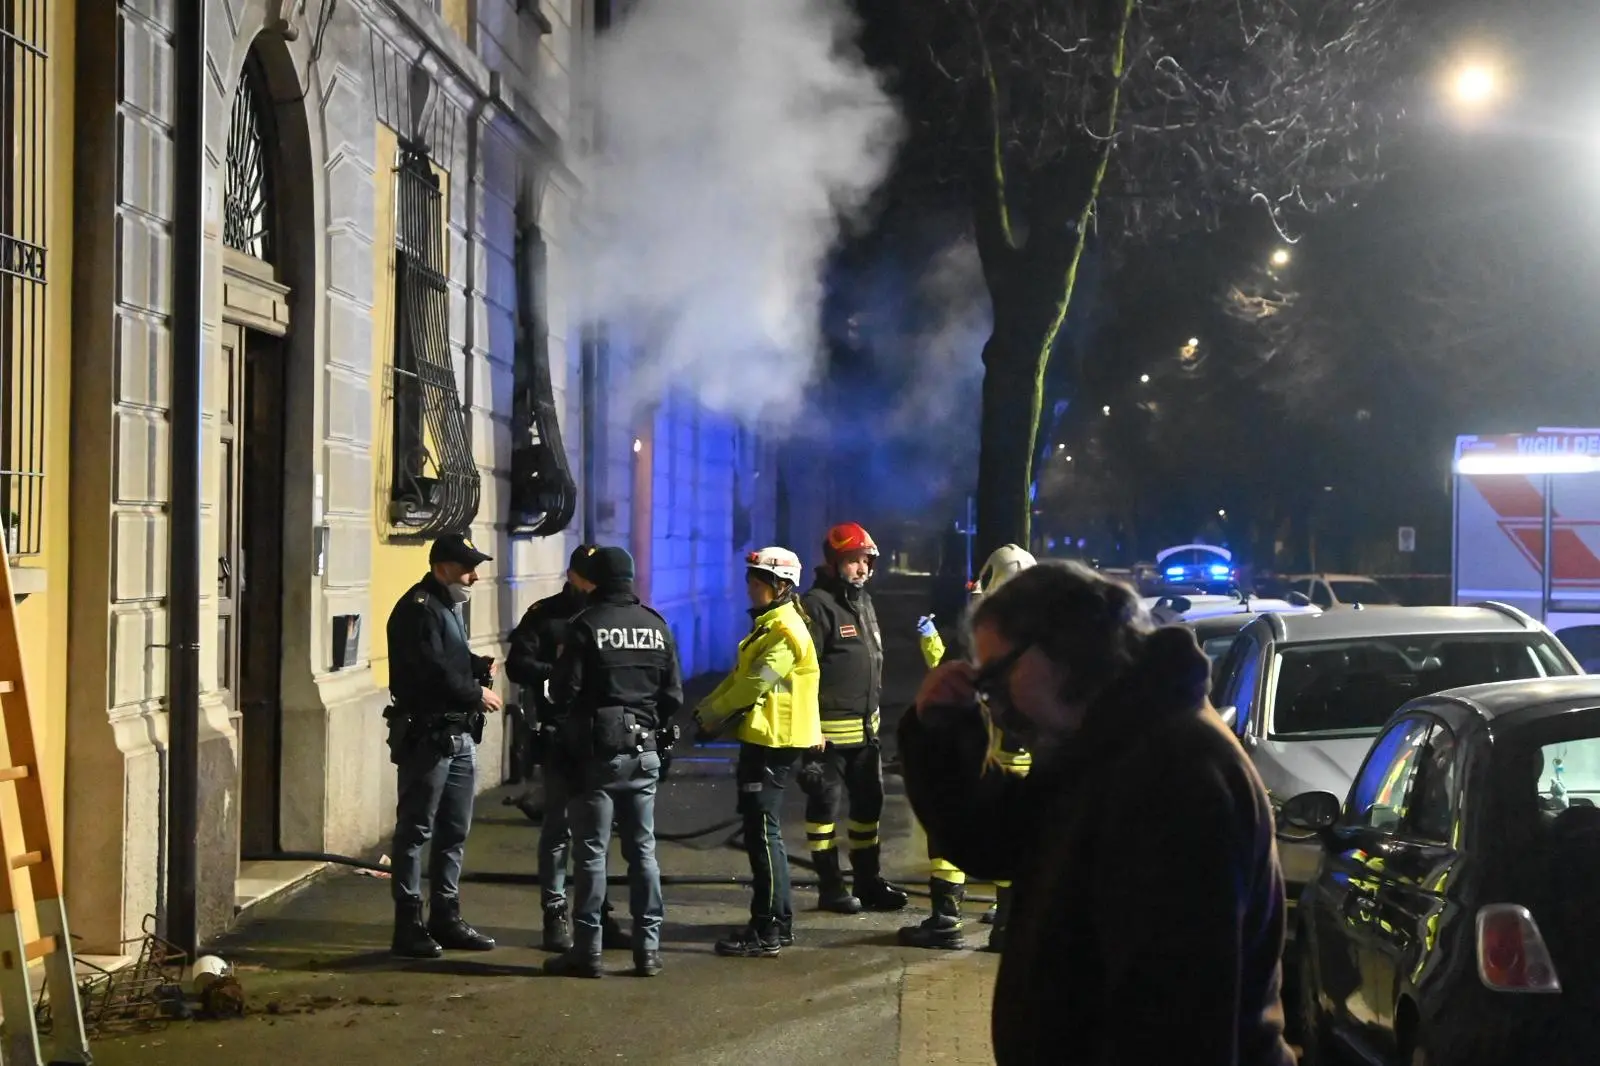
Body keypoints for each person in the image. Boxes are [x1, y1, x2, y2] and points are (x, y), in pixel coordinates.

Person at [899, 561, 1295, 1065]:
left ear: (1062, 648)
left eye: (996, 675)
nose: (992, 701)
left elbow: (1175, 1019)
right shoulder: (1106, 743)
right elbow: (999, 839)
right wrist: (945, 733)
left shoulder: (1174, 770)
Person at [543, 546, 683, 979]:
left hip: (597, 756)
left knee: (591, 853)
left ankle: (588, 951)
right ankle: (648, 951)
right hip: (645, 753)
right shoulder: (656, 625)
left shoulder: (586, 625)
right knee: (643, 852)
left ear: (597, 580)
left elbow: (563, 692)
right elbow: (673, 695)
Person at [900, 543, 1036, 952]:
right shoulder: (1045, 635)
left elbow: (951, 675)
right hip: (1026, 753)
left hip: (984, 750)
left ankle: (945, 920)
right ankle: (1007, 923)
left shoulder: (987, 632)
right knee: (1016, 830)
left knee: (949, 823)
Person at [694, 547, 823, 958]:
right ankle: (778, 922)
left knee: (763, 834)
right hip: (768, 738)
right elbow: (741, 677)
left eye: (756, 580)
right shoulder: (770, 626)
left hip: (772, 742)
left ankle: (766, 928)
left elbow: (755, 685)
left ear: (780, 586)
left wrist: (711, 715)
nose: (749, 586)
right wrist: (705, 710)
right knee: (764, 832)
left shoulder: (784, 632)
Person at [383, 532, 503, 959]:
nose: (474, 577)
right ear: (442, 568)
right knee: (416, 830)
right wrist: (475, 692)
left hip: (456, 734)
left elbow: (449, 657)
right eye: (467, 568)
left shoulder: (445, 606)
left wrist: (475, 664)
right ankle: (408, 923)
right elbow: (430, 670)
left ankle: (446, 917)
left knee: (454, 829)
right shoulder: (418, 609)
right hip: (429, 737)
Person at [505, 543, 624, 954]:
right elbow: (517, 665)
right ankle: (555, 914)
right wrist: (560, 673)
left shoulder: (609, 613)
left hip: (602, 739)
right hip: (559, 735)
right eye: (587, 576)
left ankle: (598, 912)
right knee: (557, 830)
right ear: (572, 576)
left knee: (598, 834)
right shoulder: (546, 615)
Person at [796, 522, 908, 914]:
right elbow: (802, 673)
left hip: (865, 736)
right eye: (853, 561)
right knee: (824, 813)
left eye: (866, 561)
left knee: (868, 810)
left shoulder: (862, 602)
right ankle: (831, 887)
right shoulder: (816, 606)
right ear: (834, 562)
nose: (862, 568)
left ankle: (867, 881)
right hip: (826, 739)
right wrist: (809, 729)